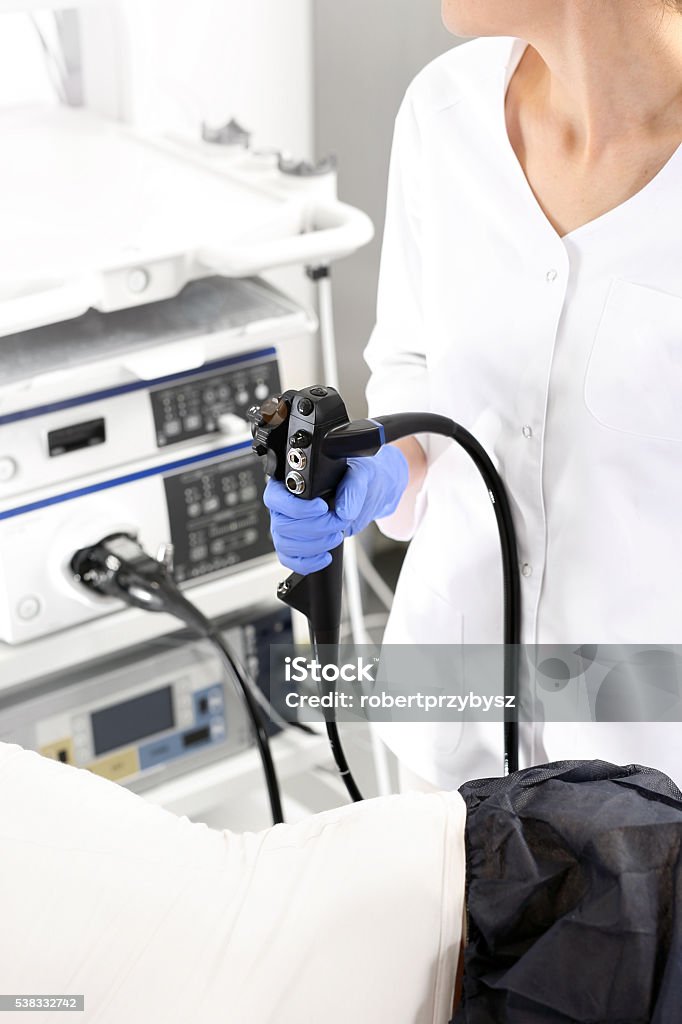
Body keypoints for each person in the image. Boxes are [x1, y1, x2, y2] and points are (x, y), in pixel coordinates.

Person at [264, 0, 682, 790]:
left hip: (652, 782)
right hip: (448, 732)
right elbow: (414, 359)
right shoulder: (444, 111)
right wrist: (394, 462)